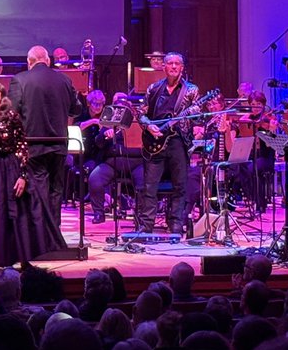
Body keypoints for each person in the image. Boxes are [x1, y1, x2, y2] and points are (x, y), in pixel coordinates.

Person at [0, 80, 63, 270]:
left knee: (11, 215)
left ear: (2, 95)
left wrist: (23, 175)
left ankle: (19, 259)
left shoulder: (10, 116)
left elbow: (22, 146)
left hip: (6, 168)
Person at [9, 45, 81, 225]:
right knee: (56, 190)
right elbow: (77, 109)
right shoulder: (64, 79)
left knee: (38, 189)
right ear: (48, 61)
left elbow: (11, 112)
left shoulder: (20, 80)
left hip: (33, 144)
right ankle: (53, 234)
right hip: (59, 143)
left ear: (29, 62)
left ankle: (40, 235)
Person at [138, 52, 199, 236]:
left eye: (177, 64)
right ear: (164, 67)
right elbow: (141, 113)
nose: (173, 66)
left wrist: (187, 117)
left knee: (180, 186)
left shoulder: (191, 90)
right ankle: (146, 226)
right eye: (170, 63)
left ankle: (175, 226)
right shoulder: (154, 88)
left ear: (182, 67)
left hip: (178, 142)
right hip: (155, 142)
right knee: (150, 186)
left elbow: (195, 114)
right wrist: (149, 127)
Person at [81, 90, 142, 224]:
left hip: (136, 163)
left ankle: (141, 218)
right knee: (95, 178)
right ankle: (99, 213)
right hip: (111, 163)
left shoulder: (138, 121)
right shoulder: (109, 121)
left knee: (145, 181)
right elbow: (98, 142)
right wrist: (104, 135)